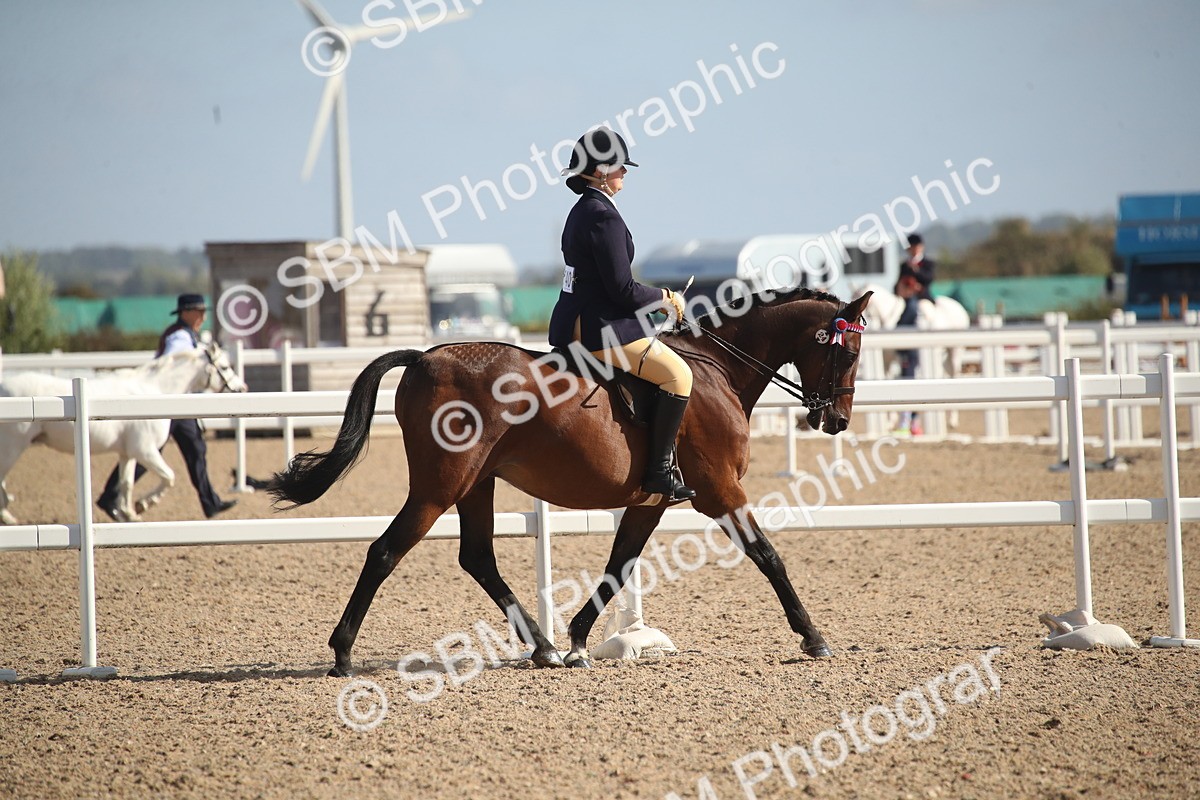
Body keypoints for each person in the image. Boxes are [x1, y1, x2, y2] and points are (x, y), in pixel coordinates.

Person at [548, 126, 695, 501]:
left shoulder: (581, 211)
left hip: (577, 321)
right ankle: (660, 472)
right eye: (619, 166)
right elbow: (622, 289)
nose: (625, 172)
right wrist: (664, 298)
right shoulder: (604, 217)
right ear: (600, 171)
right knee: (679, 376)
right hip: (602, 329)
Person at [96, 293, 238, 520]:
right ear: (186, 312)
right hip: (169, 404)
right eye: (199, 312)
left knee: (195, 450)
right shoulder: (179, 337)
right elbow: (174, 363)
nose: (203, 317)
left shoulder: (188, 335)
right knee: (149, 452)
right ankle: (110, 496)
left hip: (179, 405)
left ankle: (210, 502)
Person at [894, 232, 936, 435]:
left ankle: (904, 331)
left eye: (914, 246)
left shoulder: (927, 263)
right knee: (906, 305)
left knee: (916, 307)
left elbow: (929, 279)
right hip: (907, 297)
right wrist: (903, 287)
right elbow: (897, 284)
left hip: (922, 297)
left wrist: (916, 275)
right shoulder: (904, 264)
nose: (912, 250)